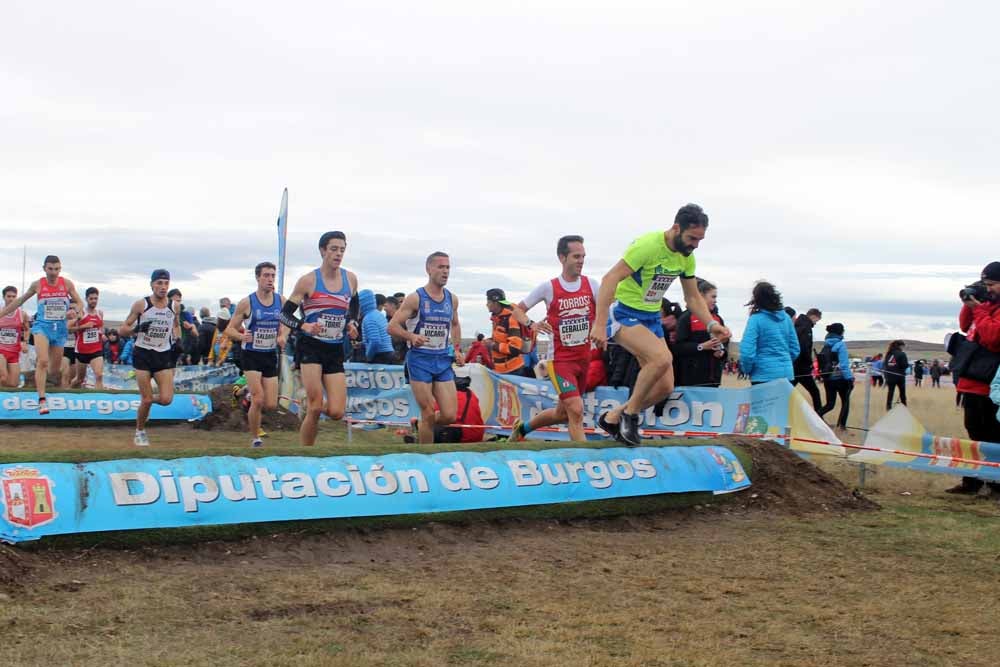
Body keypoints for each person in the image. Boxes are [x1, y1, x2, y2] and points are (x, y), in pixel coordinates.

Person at [588, 204, 732, 446]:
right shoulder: (647, 245)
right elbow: (610, 278)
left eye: (700, 240)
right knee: (661, 358)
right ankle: (630, 416)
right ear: (676, 228)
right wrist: (599, 323)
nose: (695, 245)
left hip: (651, 317)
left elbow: (693, 297)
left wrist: (710, 324)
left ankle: (612, 418)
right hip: (624, 311)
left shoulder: (686, 258)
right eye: (692, 238)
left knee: (665, 387)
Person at [508, 235, 600, 442]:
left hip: (584, 358)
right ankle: (584, 461)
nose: (581, 261)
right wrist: (532, 324)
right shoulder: (548, 287)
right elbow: (517, 310)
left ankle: (522, 429)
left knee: (562, 413)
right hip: (560, 361)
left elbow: (605, 311)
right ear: (562, 258)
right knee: (576, 410)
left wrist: (601, 330)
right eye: (576, 256)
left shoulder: (592, 285)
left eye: (583, 256)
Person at [279, 231, 360, 446]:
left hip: (334, 349)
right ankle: (306, 453)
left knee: (336, 411)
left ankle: (307, 403)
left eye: (342, 250)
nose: (338, 254)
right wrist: (303, 325)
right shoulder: (308, 281)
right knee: (316, 407)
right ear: (323, 251)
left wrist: (352, 322)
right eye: (334, 249)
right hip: (310, 347)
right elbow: (284, 314)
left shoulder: (350, 279)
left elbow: (354, 304)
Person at [388, 252, 464, 444]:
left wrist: (457, 349)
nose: (445, 271)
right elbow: (392, 327)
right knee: (428, 411)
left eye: (448, 267)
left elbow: (455, 324)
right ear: (429, 269)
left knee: (449, 416)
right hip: (420, 360)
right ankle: (425, 456)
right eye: (440, 267)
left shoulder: (452, 299)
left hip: (442, 360)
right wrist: (411, 336)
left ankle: (422, 425)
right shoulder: (416, 298)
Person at [0, 255, 84, 414]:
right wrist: (2, 314)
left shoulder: (66, 284)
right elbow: (19, 301)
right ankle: (42, 399)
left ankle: (33, 376)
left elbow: (80, 302)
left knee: (54, 369)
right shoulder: (37, 285)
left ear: (60, 268)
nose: (54, 272)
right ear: (44, 268)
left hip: (59, 329)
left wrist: (75, 310)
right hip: (41, 327)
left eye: (57, 269)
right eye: (50, 269)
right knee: (43, 361)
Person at [948, 261, 1000, 495]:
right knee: (974, 431)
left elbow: (992, 338)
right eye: (985, 284)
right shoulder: (988, 304)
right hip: (971, 380)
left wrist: (979, 308)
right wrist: (971, 303)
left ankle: (994, 482)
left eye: (991, 284)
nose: (988, 289)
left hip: (988, 383)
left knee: (991, 434)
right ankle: (974, 480)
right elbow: (964, 325)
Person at [225, 261, 288, 448]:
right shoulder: (247, 303)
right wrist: (242, 336)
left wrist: (283, 335)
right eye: (266, 276)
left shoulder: (281, 301)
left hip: (269, 354)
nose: (270, 280)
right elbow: (229, 330)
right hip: (251, 355)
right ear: (258, 278)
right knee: (259, 399)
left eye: (272, 276)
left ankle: (244, 394)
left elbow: (287, 323)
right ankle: (255, 439)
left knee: (270, 404)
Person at [119, 269, 181, 446]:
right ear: (152, 284)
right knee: (146, 399)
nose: (163, 287)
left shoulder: (174, 306)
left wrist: (178, 340)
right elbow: (122, 329)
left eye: (166, 283)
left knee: (166, 399)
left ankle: (144, 404)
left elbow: (176, 326)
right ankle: (140, 431)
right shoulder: (141, 305)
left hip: (163, 354)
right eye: (159, 283)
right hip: (143, 353)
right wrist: (136, 330)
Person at [737, 282, 799, 385]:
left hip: (762, 375)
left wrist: (746, 369)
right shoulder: (787, 319)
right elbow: (795, 349)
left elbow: (747, 352)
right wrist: (783, 363)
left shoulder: (755, 319)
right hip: (786, 374)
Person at [672, 279, 727, 388]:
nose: (715, 301)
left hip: (713, 380)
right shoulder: (685, 318)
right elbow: (677, 348)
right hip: (690, 380)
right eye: (713, 297)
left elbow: (724, 344)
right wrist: (701, 346)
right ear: (701, 296)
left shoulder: (718, 319)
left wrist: (721, 353)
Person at [817, 323, 854, 430]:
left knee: (830, 404)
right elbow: (843, 365)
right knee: (845, 403)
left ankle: (814, 418)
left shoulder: (826, 345)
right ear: (841, 332)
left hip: (828, 379)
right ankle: (842, 427)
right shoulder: (840, 345)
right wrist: (849, 378)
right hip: (841, 379)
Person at [68, 287, 105, 388]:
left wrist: (102, 334)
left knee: (99, 375)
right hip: (82, 351)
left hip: (96, 350)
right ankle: (68, 392)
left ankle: (99, 400)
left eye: (96, 298)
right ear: (86, 299)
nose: (94, 301)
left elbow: (101, 327)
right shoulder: (81, 313)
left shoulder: (100, 313)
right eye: (91, 298)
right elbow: (68, 328)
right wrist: (84, 326)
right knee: (79, 379)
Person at [485, 288, 527, 375]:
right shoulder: (497, 319)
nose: (486, 305)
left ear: (495, 303)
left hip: (513, 371)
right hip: (502, 370)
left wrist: (492, 345)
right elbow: (501, 338)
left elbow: (515, 349)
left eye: (488, 302)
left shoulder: (511, 319)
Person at [792, 308, 824, 411]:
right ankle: (819, 418)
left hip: (794, 365)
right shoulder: (806, 327)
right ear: (813, 316)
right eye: (817, 320)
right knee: (815, 392)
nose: (816, 322)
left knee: (786, 392)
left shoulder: (797, 325)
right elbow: (804, 347)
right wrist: (809, 363)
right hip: (802, 367)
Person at [0, 286, 30, 388]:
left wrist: (25, 342)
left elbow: (26, 329)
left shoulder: (22, 314)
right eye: (9, 296)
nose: (11, 299)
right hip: (1, 350)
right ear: (4, 297)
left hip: (14, 352)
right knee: (3, 377)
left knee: (13, 384)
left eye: (14, 296)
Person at [358, 289, 396, 365]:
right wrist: (363, 343)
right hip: (389, 352)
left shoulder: (369, 318)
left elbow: (375, 341)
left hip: (379, 355)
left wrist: (368, 357)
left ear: (362, 304)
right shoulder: (379, 315)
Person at [883, 340, 909, 410]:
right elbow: (904, 365)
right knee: (902, 391)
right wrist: (907, 365)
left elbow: (885, 365)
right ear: (900, 346)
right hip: (899, 376)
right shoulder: (902, 354)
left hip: (889, 376)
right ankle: (904, 406)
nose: (903, 348)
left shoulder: (888, 353)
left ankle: (888, 407)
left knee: (890, 391)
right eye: (903, 346)